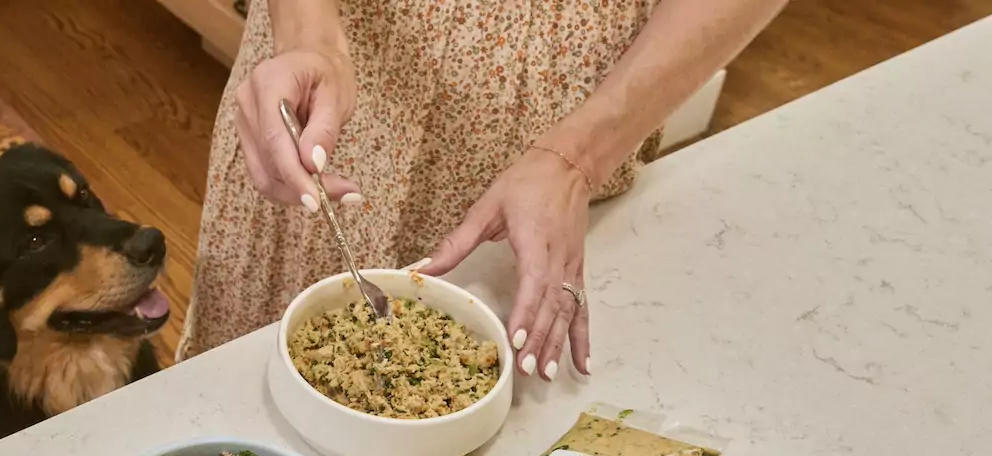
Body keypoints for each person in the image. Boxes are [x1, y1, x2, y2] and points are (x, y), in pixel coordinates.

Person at [178, 0, 787, 379]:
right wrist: (307, 35)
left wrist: (576, 158)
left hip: (562, 127)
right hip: (326, 81)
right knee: (240, 395)